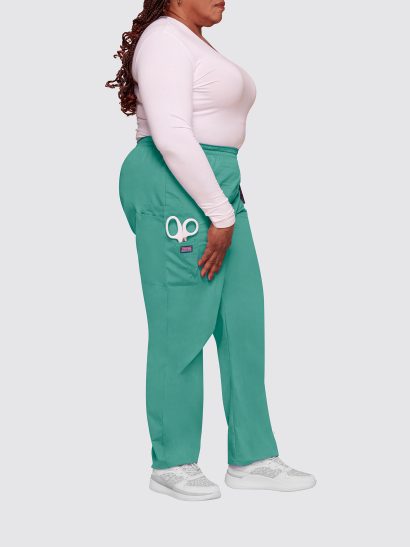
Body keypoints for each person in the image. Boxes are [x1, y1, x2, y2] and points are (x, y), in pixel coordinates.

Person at [106, 0, 316, 501]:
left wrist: (224, 202)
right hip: (176, 183)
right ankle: (172, 462)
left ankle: (252, 456)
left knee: (243, 321)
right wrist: (219, 212)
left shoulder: (194, 41)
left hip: (215, 184)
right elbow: (172, 134)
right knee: (180, 324)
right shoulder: (164, 38)